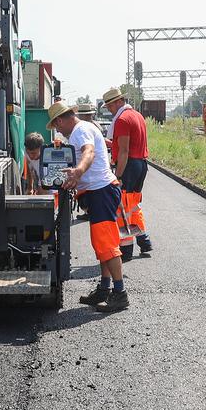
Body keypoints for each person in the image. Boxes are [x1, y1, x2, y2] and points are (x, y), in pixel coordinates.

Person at [48, 101, 129, 312]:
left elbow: (89, 153)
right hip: (99, 191)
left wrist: (78, 172)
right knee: (102, 244)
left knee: (108, 245)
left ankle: (119, 293)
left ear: (60, 120)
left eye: (56, 126)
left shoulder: (79, 131)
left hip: (101, 191)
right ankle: (104, 288)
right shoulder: (85, 127)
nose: (58, 131)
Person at [101, 87, 153, 259]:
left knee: (122, 208)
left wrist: (119, 176)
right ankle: (144, 241)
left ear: (118, 102)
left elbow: (124, 151)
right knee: (133, 206)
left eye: (109, 106)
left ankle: (127, 250)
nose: (109, 109)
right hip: (141, 164)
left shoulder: (122, 120)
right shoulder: (137, 116)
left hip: (129, 167)